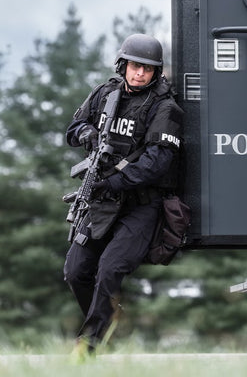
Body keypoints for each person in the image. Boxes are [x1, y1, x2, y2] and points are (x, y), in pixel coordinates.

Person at [63, 33, 183, 360]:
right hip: (102, 202)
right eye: (134, 65)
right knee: (76, 271)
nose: (139, 73)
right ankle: (109, 316)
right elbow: (73, 129)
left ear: (156, 72)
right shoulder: (105, 94)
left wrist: (114, 182)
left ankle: (89, 344)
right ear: (123, 64)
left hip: (141, 205)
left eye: (147, 68)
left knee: (110, 269)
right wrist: (86, 132)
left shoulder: (164, 107)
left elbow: (157, 163)